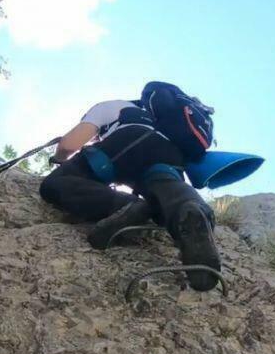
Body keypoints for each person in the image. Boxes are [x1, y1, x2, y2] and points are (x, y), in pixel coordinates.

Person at [39, 96, 221, 291]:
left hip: (128, 141)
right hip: (170, 154)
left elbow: (69, 144)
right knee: (167, 189)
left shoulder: (108, 106)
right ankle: (191, 210)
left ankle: (122, 205)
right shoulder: (160, 118)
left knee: (57, 183)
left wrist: (58, 159)